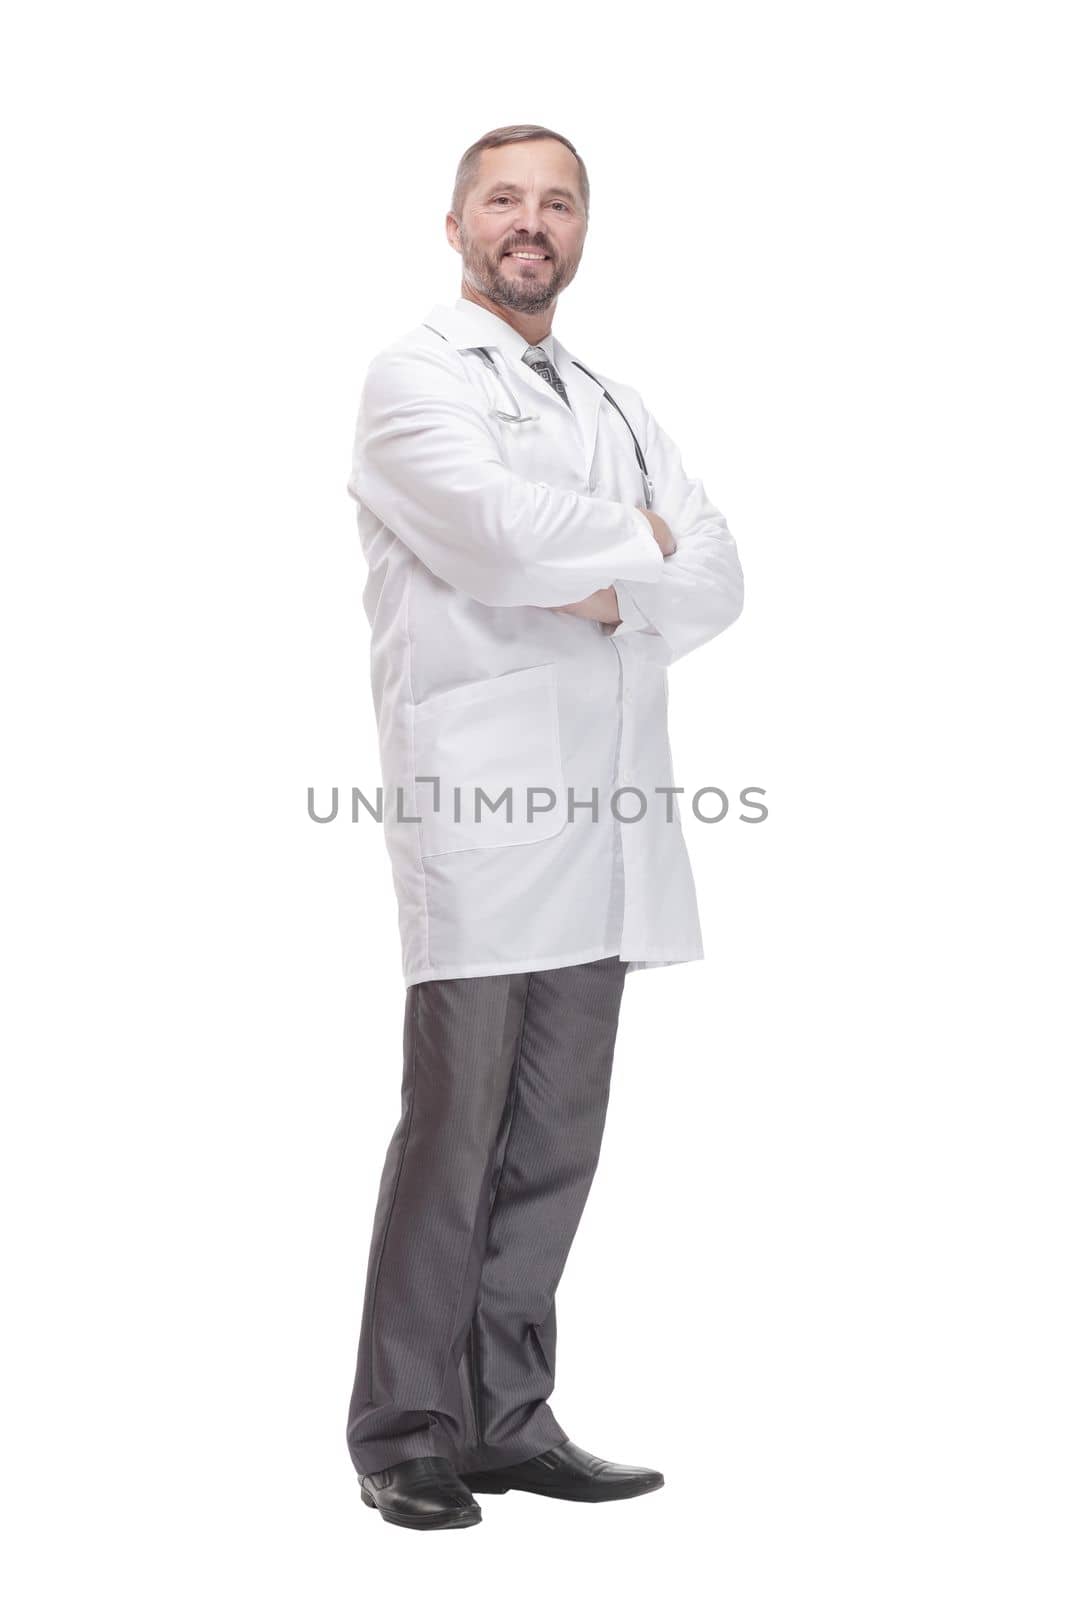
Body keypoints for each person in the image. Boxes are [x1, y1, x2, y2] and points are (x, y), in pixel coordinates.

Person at [344, 123, 744, 1531]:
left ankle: (509, 1416)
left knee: (559, 1136)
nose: (533, 223)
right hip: (482, 813)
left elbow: (723, 575)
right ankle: (406, 1426)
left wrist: (608, 570)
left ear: (583, 231)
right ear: (455, 226)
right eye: (504, 200)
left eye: (557, 203)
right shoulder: (412, 381)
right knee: (456, 1133)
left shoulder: (619, 402)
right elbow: (494, 537)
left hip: (609, 821)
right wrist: (637, 550)